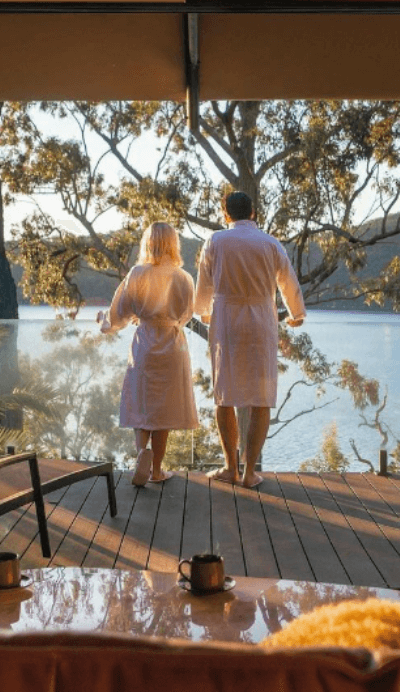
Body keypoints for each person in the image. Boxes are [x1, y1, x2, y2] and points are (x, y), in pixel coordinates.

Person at [194, 191, 306, 489]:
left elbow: (204, 281)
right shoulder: (269, 243)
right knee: (260, 395)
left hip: (227, 319)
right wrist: (296, 312)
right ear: (253, 212)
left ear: (225, 213)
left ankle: (231, 467)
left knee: (224, 393)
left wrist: (203, 311)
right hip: (260, 319)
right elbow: (287, 280)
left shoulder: (215, 241)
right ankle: (249, 473)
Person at [97, 221, 198, 486]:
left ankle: (142, 454)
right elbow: (186, 315)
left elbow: (120, 312)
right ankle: (156, 470)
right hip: (173, 346)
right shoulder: (183, 277)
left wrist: (105, 324)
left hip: (145, 345)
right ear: (173, 243)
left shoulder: (137, 273)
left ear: (147, 243)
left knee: (141, 404)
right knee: (163, 411)